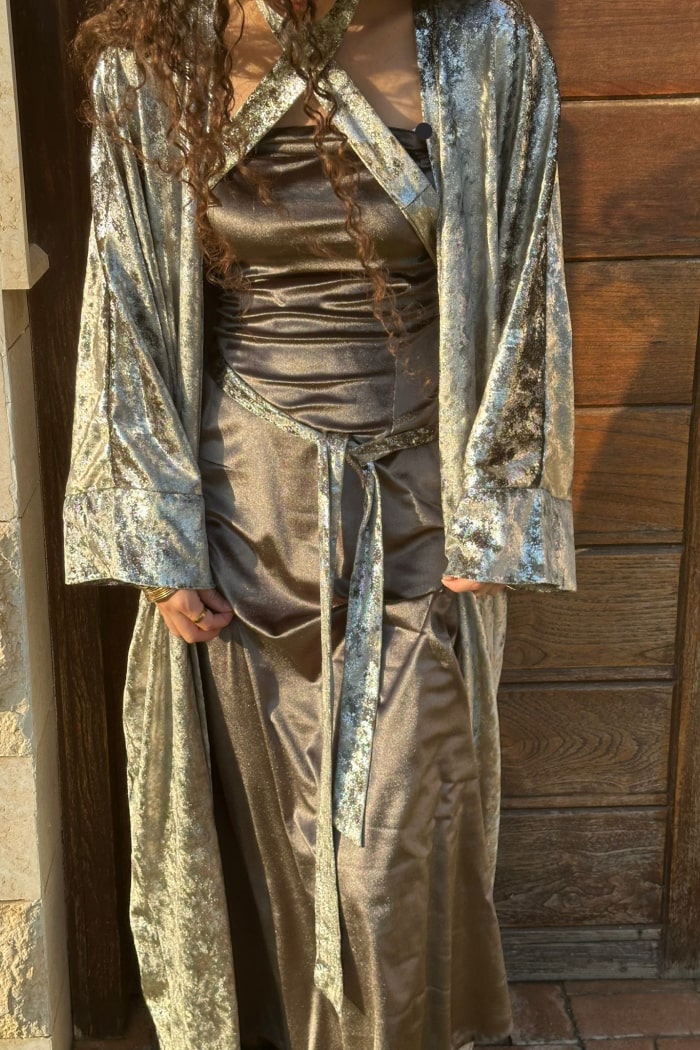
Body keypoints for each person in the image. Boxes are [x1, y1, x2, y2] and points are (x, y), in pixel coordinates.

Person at [64, 0, 576, 1047]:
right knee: (271, 844)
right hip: (245, 522)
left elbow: (527, 269)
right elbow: (127, 306)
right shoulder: (153, 68)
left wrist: (500, 503)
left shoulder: (485, 49)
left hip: (419, 518)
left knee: (394, 846)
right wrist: (158, 541)